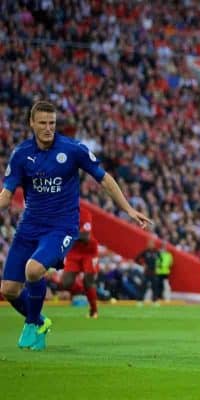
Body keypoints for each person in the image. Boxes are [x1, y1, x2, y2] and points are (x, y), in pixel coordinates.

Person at [0, 101, 152, 351]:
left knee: (34, 270)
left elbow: (105, 180)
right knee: (9, 290)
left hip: (61, 226)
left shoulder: (72, 150)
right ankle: (40, 321)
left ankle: (30, 323)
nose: (49, 128)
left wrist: (128, 209)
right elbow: (6, 196)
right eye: (43, 123)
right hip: (29, 226)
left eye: (52, 123)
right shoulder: (21, 154)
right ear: (32, 123)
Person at [61, 206, 100, 319]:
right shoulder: (61, 212)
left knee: (88, 279)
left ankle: (94, 310)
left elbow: (86, 236)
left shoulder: (84, 213)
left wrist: (67, 235)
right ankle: (84, 291)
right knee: (66, 283)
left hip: (89, 251)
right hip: (73, 252)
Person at [135, 238, 161, 305]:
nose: (151, 245)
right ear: (148, 245)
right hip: (147, 272)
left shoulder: (156, 252)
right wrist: (142, 264)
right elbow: (137, 259)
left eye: (152, 244)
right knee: (143, 286)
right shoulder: (145, 252)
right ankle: (140, 301)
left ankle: (154, 301)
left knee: (155, 287)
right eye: (149, 243)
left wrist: (158, 266)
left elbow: (161, 260)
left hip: (154, 272)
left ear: (154, 245)